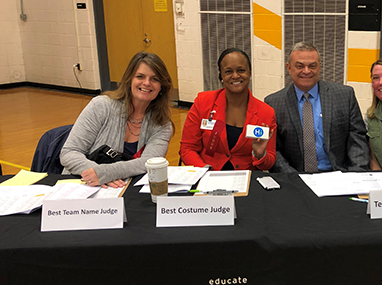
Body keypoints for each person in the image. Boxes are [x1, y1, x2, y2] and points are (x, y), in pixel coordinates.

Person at [60, 52, 174, 187]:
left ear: (162, 86)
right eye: (140, 76)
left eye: (155, 79)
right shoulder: (101, 106)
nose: (147, 83)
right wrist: (98, 173)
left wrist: (107, 173)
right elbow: (69, 152)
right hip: (82, 184)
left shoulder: (162, 124)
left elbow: (149, 162)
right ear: (129, 80)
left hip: (124, 189)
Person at [264, 42, 369, 173]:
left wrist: (355, 174)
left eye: (312, 66)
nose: (306, 71)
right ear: (289, 68)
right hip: (296, 178)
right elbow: (274, 149)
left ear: (319, 67)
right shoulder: (273, 103)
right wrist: (292, 177)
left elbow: (357, 140)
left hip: (339, 176)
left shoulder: (344, 96)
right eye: (300, 66)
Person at [179, 48, 276, 171]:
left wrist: (260, 154)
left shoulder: (266, 113)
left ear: (250, 73)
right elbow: (188, 148)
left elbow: (269, 162)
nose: (235, 76)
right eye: (228, 71)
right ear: (221, 76)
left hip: (246, 180)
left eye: (241, 70)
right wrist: (204, 172)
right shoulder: (203, 102)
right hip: (207, 176)